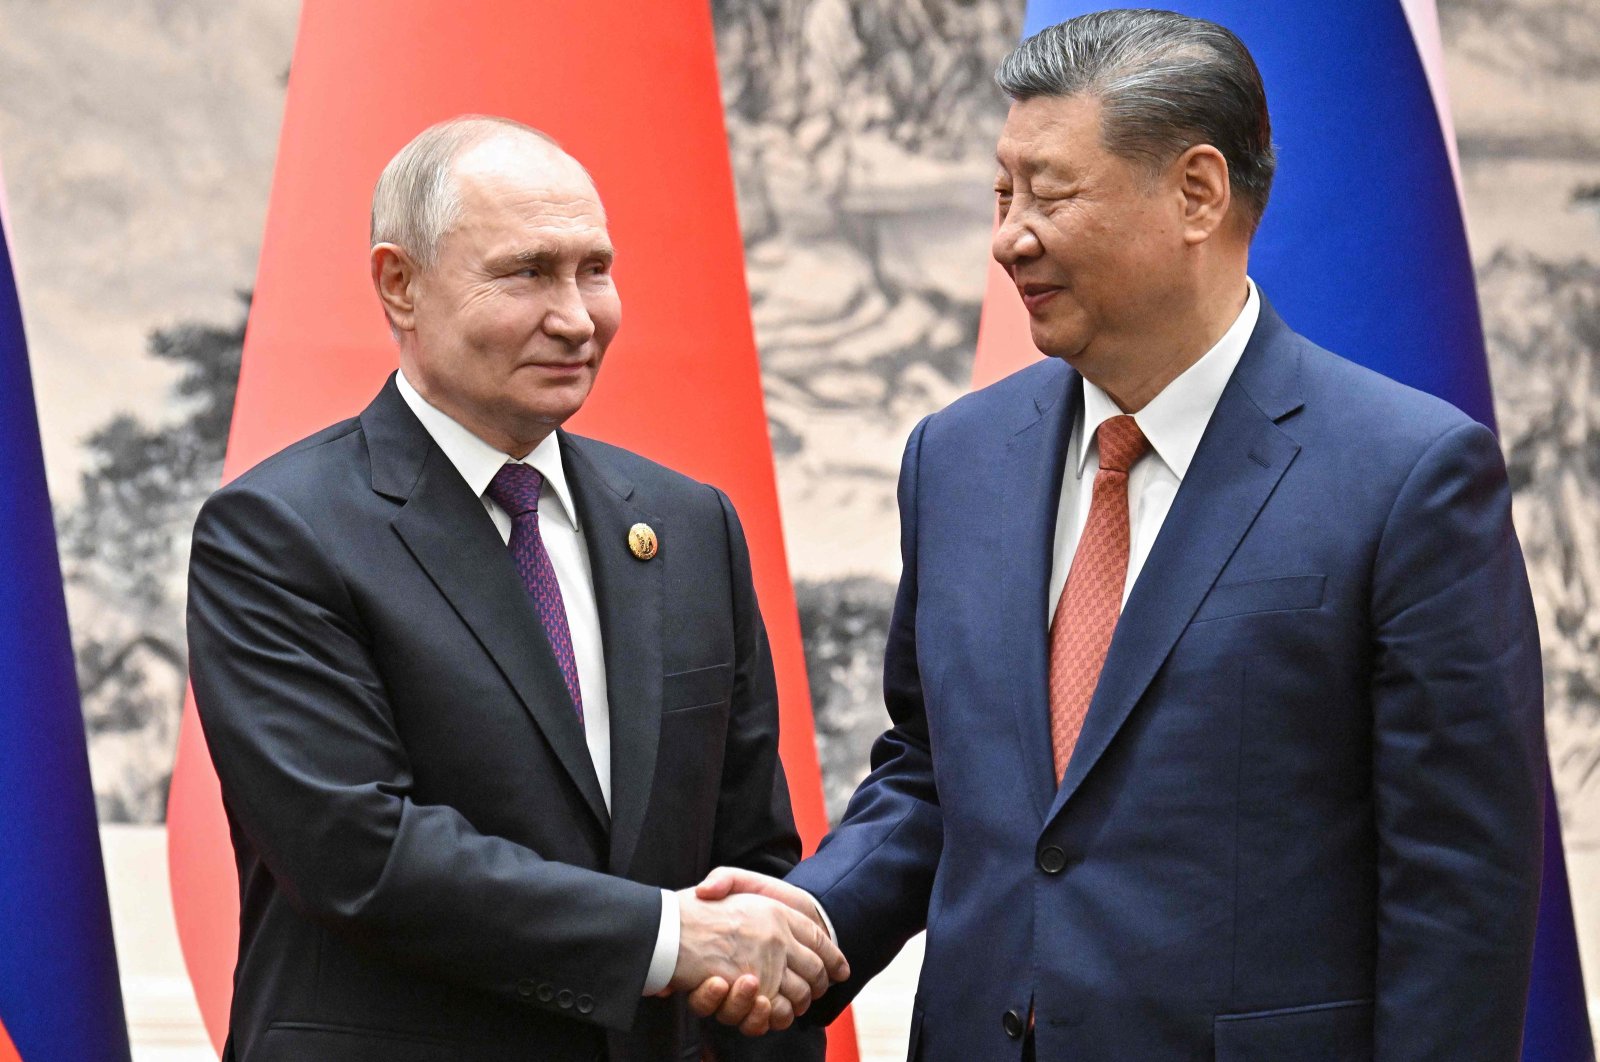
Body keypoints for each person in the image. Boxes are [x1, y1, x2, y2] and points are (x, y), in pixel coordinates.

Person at [694, 10, 1545, 1060]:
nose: (1008, 236)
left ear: (1196, 192)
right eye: (1000, 193)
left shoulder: (1406, 478)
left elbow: (1457, 892)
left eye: (1049, 193)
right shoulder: (957, 459)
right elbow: (933, 769)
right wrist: (811, 918)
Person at [186, 115, 845, 1062]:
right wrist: (666, 939)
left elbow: (751, 861)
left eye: (596, 269)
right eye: (528, 272)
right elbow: (359, 852)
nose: (577, 316)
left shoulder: (691, 523)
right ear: (398, 284)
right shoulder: (280, 532)